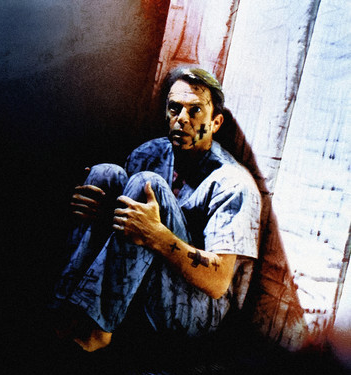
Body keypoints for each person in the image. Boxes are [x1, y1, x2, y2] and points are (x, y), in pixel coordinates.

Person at [51, 67, 261, 352]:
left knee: (147, 184)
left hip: (199, 311)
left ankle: (95, 333)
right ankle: (62, 312)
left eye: (195, 110)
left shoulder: (233, 182)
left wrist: (157, 235)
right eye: (175, 108)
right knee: (105, 175)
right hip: (145, 287)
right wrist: (96, 208)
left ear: (215, 122)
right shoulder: (149, 153)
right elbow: (122, 244)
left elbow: (218, 283)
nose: (182, 119)